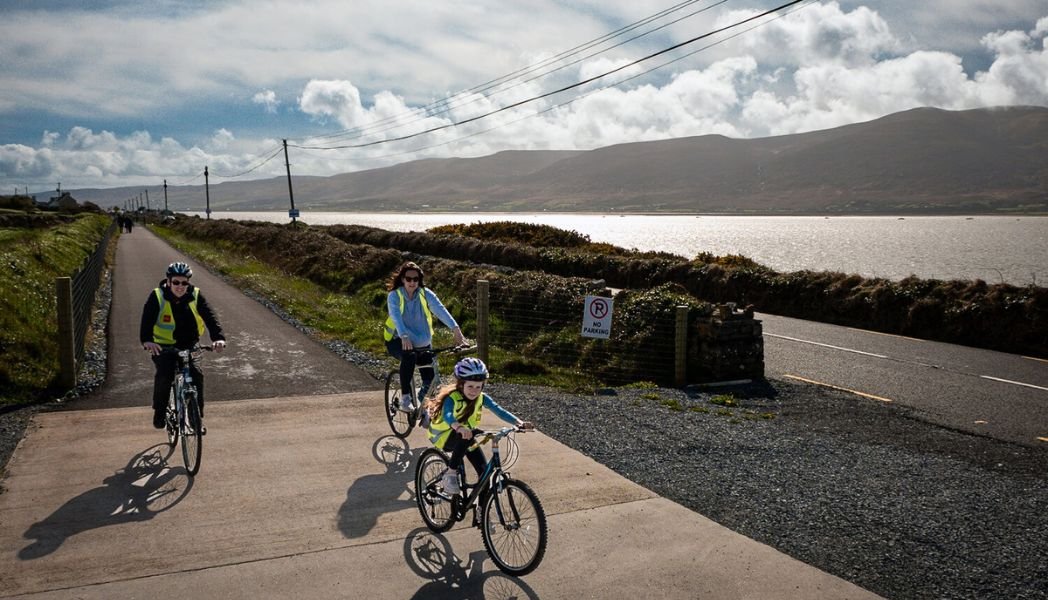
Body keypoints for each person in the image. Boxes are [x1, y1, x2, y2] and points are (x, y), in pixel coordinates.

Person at [425, 357, 533, 494]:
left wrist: (519, 423)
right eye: (470, 386)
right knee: (469, 435)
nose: (474, 391)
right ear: (461, 384)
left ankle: (481, 514)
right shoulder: (451, 397)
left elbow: (499, 410)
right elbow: (448, 416)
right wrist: (459, 427)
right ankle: (450, 473)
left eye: (478, 387)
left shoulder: (482, 397)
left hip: (466, 435)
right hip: (444, 436)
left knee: (484, 476)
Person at [140, 261, 226, 432]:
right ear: (168, 281)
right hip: (163, 346)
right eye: (176, 282)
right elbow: (147, 320)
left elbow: (210, 317)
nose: (180, 286)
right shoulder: (157, 296)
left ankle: (195, 419)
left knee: (196, 375)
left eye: (184, 282)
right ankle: (159, 412)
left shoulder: (195, 295)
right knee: (165, 375)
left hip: (189, 344)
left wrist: (218, 338)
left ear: (189, 282)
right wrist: (147, 341)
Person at [383, 261, 465, 412]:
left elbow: (440, 309)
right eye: (408, 279)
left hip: (422, 343)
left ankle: (422, 409)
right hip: (397, 340)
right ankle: (406, 398)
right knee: (409, 357)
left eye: (416, 279)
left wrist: (455, 329)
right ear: (402, 279)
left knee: (430, 381)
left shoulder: (425, 294)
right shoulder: (395, 296)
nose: (412, 282)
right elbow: (395, 316)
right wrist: (404, 335)